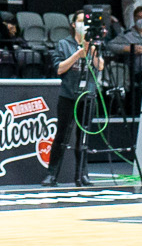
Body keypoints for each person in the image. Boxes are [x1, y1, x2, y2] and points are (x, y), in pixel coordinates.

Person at [42, 12, 105, 187]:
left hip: (87, 96)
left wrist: (91, 51)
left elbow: (100, 66)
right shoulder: (64, 44)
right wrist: (78, 54)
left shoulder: (95, 43)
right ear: (73, 24)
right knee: (61, 135)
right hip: (68, 95)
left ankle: (82, 174)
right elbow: (59, 69)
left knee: (83, 136)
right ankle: (52, 174)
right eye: (79, 21)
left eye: (86, 22)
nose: (83, 25)